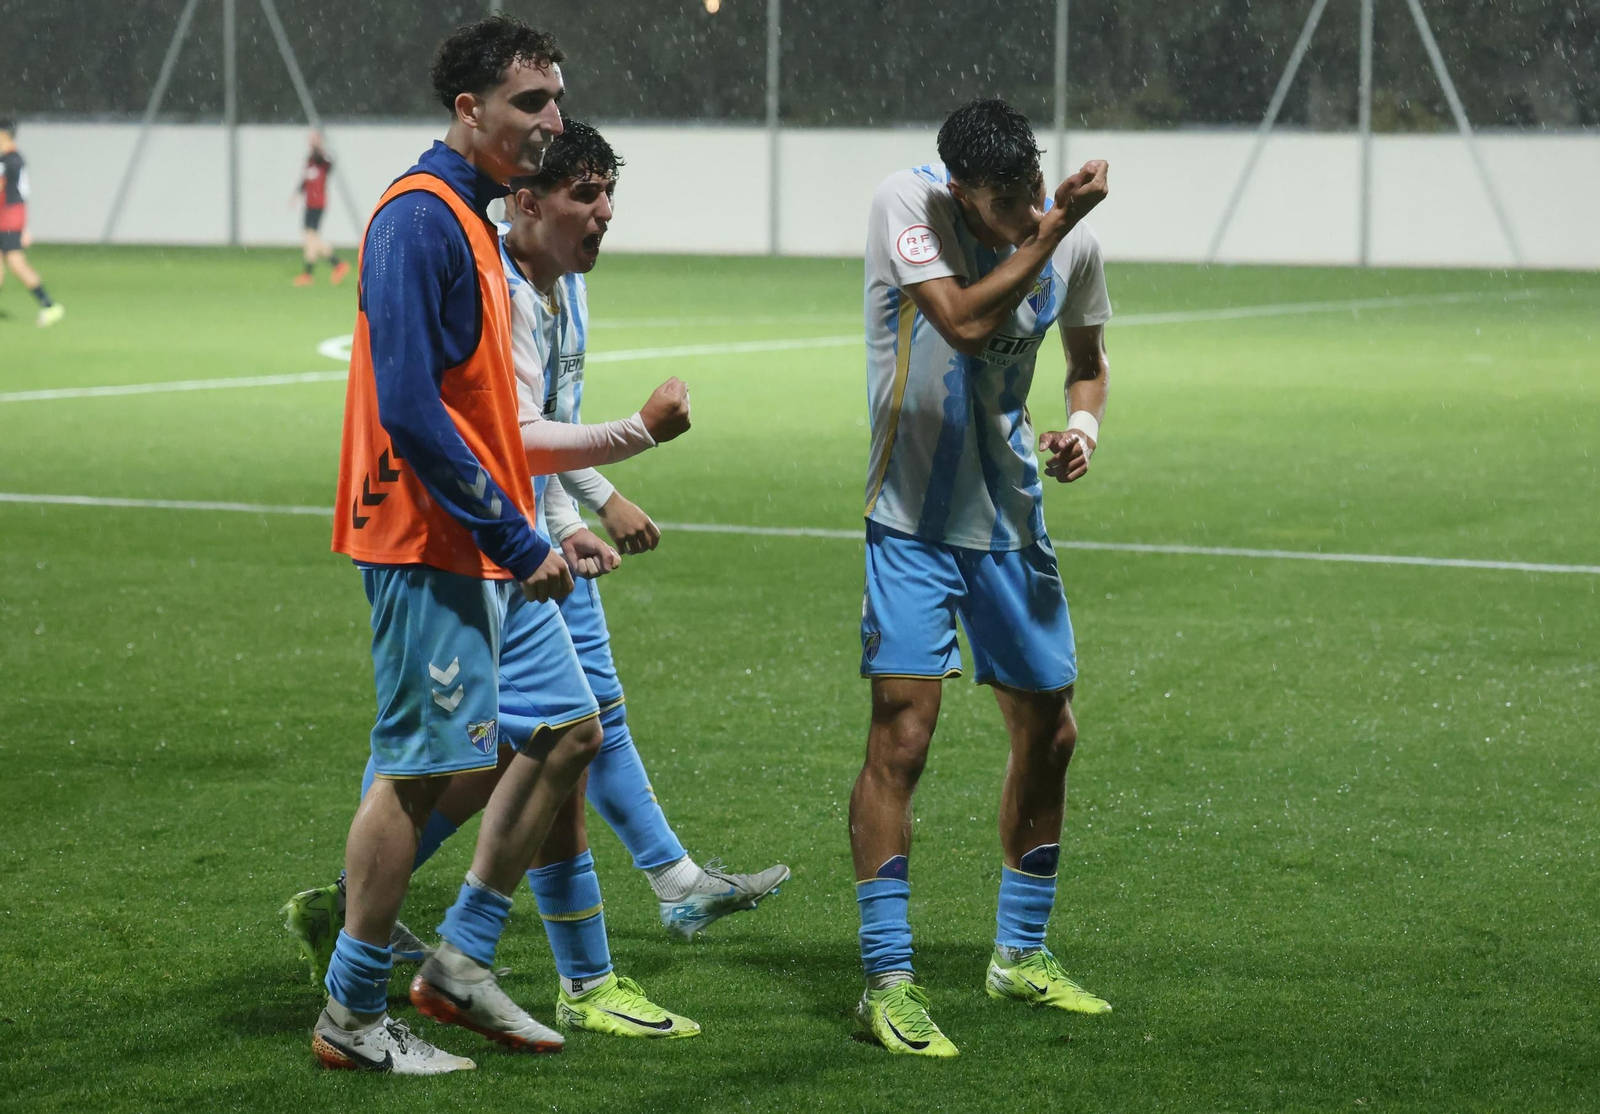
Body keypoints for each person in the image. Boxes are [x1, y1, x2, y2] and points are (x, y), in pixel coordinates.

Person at [315, 16, 580, 1076]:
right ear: (467, 109)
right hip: (428, 538)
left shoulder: (468, 212)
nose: (548, 125)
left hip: (472, 538)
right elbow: (416, 414)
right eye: (528, 105)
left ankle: (459, 957)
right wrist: (521, 536)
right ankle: (351, 1008)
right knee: (416, 773)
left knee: (564, 726)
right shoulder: (420, 219)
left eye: (555, 104)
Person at [848, 98, 1115, 1058]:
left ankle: (1021, 954)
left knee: (1051, 730)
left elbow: (1087, 362)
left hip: (1009, 523)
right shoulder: (906, 204)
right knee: (903, 734)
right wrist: (1049, 230)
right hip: (911, 521)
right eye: (1008, 203)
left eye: (1035, 188)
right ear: (962, 191)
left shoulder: (1059, 232)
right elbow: (961, 321)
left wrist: (1081, 429)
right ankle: (888, 981)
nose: (1029, 208)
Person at [0, 119, 64, 327]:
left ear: (4, 135)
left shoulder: (10, 161)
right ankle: (49, 306)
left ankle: (49, 305)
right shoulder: (14, 159)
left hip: (7, 219)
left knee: (17, 264)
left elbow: (13, 193)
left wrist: (21, 226)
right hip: (9, 217)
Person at [292, 131, 349, 286]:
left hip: (318, 203)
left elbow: (328, 159)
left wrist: (317, 144)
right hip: (310, 203)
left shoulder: (323, 160)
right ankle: (314, 272)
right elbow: (305, 180)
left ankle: (335, 265)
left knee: (311, 238)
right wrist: (296, 194)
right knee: (310, 239)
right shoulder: (310, 160)